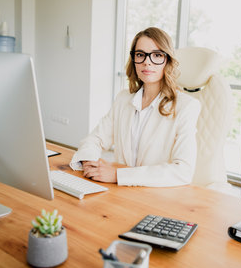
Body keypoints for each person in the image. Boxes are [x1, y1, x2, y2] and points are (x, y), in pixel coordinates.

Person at [70, 27, 201, 187]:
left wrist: (118, 175)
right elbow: (95, 139)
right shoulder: (123, 99)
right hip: (121, 192)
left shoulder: (186, 107)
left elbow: (183, 171)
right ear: (134, 60)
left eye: (157, 55)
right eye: (140, 54)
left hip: (158, 194)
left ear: (167, 60)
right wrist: (89, 160)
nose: (147, 61)